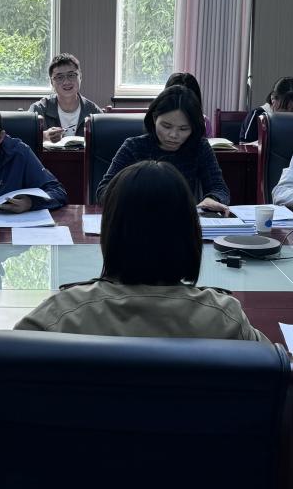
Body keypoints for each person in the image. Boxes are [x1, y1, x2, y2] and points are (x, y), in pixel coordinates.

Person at [16, 160, 267, 340]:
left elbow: (1, 361)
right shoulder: (225, 318)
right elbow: (276, 370)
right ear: (190, 235)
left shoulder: (63, 314)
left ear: (111, 233)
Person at [95, 84, 229, 212]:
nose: (173, 135)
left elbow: (220, 189)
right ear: (154, 119)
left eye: (183, 129)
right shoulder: (133, 147)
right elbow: (103, 191)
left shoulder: (200, 147)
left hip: (183, 220)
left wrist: (212, 199)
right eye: (166, 126)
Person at [29, 53, 102, 143]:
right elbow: (23, 138)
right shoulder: (38, 109)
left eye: (71, 75)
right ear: (52, 82)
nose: (66, 82)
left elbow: (107, 139)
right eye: (59, 77)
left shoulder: (93, 112)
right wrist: (44, 136)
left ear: (80, 77)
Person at [240, 76, 293, 143]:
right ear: (273, 99)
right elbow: (244, 145)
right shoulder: (257, 115)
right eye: (284, 109)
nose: (289, 114)